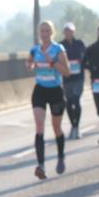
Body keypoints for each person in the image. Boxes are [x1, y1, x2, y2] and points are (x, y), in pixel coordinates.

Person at [26, 20, 71, 179]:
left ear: (52, 32)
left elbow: (67, 72)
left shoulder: (58, 49)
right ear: (39, 33)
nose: (44, 34)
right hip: (40, 90)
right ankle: (41, 165)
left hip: (55, 91)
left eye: (47, 31)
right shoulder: (34, 49)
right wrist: (31, 65)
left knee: (56, 127)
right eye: (42, 31)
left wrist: (52, 62)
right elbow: (29, 62)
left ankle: (60, 156)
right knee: (39, 127)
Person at [60, 23, 87, 139]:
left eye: (70, 31)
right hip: (66, 78)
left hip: (78, 77)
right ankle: (73, 125)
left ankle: (77, 126)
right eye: (66, 31)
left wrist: (82, 63)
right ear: (64, 33)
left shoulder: (80, 43)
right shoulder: (60, 46)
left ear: (74, 32)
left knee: (76, 100)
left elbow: (86, 57)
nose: (68, 33)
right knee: (69, 102)